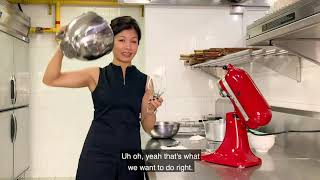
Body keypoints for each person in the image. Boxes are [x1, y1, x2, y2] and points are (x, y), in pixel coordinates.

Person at [43, 16, 163, 180]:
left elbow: (148, 127)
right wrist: (62, 47)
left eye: (133, 41)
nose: (128, 47)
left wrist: (151, 110)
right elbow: (51, 79)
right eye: (121, 40)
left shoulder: (146, 81)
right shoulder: (96, 75)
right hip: (97, 156)